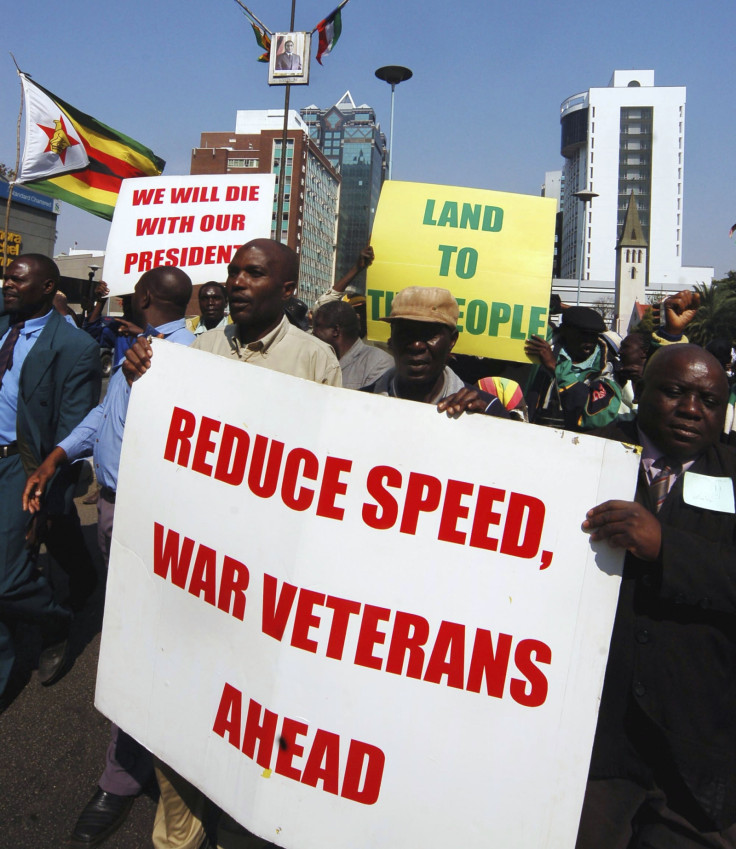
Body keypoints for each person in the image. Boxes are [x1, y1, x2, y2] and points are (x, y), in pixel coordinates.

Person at [123, 238, 340, 849]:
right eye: (233, 272)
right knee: (182, 698)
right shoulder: (191, 353)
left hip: (271, 580)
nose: (238, 282)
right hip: (197, 568)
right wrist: (141, 373)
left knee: (253, 708)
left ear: (289, 290)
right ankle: (180, 825)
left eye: (254, 273)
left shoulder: (317, 361)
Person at [24, 266, 195, 848]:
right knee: (128, 641)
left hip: (155, 521)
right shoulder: (135, 349)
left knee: (145, 648)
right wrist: (57, 455)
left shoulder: (186, 359)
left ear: (144, 296)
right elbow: (104, 417)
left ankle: (122, 776)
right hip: (116, 512)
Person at [577, 344, 736, 848]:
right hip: (595, 749)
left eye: (708, 400)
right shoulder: (581, 453)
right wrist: (468, 427)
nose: (691, 409)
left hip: (699, 758)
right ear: (641, 392)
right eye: (674, 392)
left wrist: (667, 547)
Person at [0, 254, 101, 707]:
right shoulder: (4, 322)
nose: (8, 283)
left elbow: (70, 432)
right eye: (6, 276)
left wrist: (53, 498)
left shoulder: (73, 347)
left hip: (20, 469)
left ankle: (56, 620)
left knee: (7, 577)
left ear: (47, 288)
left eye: (18, 279)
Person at [362, 285, 509, 419]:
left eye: (429, 334)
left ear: (452, 341)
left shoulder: (489, 410)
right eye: (406, 333)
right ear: (391, 337)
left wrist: (484, 427)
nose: (416, 345)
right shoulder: (357, 404)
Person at [524, 305, 622, 430]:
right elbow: (527, 313)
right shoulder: (544, 346)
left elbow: (596, 415)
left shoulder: (608, 368)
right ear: (564, 331)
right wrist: (554, 305)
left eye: (593, 335)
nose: (589, 341)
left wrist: (556, 367)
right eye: (582, 334)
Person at [312, 299, 393, 389]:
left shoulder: (379, 362)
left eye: (317, 326)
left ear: (335, 330)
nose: (313, 332)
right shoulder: (317, 360)